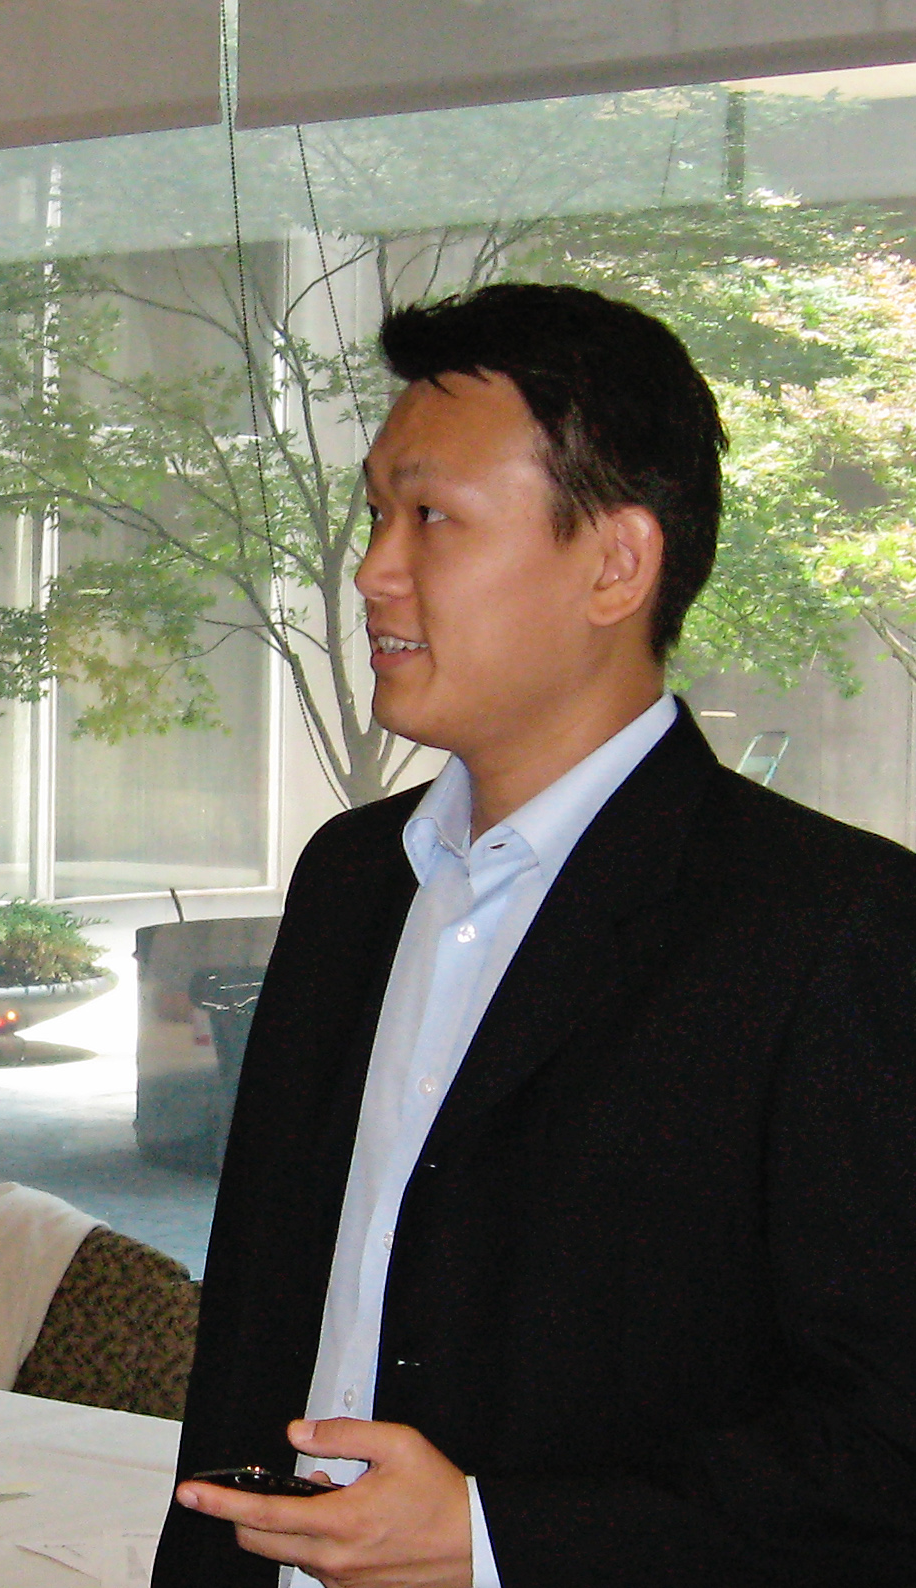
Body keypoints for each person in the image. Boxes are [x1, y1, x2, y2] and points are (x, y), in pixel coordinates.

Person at [155, 282, 916, 1587]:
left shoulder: (823, 927)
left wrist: (497, 1538)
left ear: (613, 563)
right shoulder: (349, 880)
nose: (371, 568)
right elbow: (254, 1330)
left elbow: (878, 1447)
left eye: (430, 518)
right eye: (374, 515)